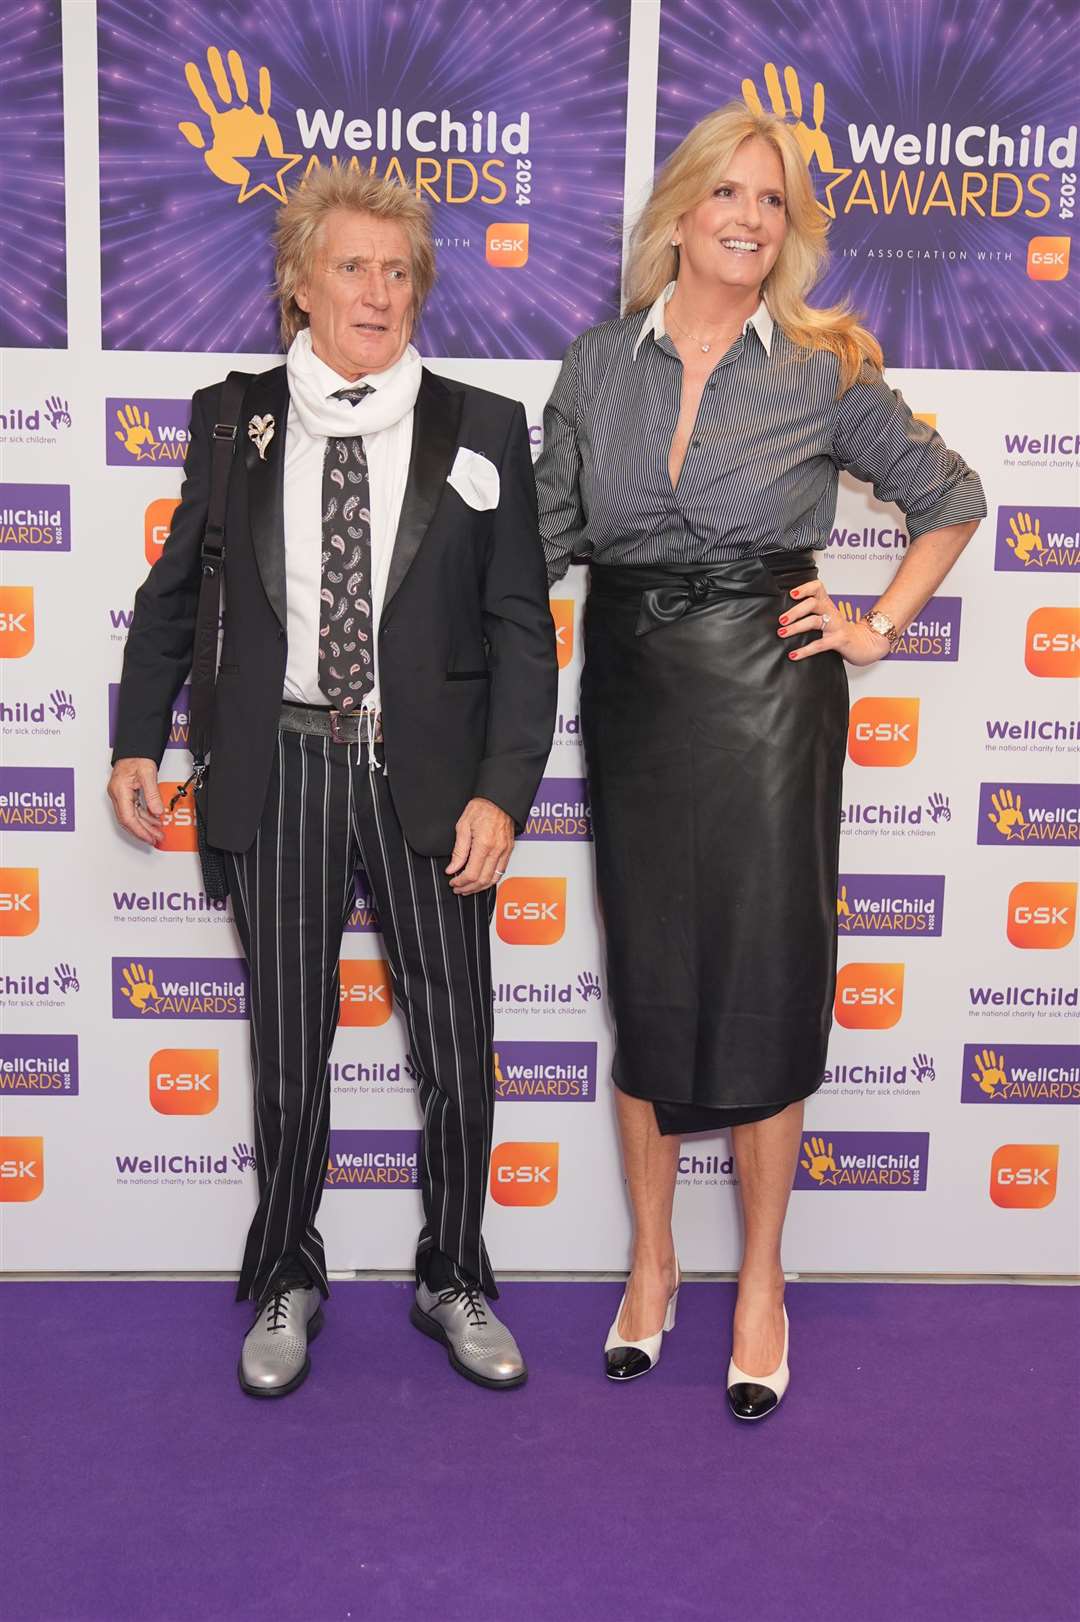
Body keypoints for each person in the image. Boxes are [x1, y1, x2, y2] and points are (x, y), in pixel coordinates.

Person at [535, 102, 984, 1419]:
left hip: (771, 702)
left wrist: (876, 625)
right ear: (679, 210)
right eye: (726, 191)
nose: (745, 216)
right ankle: (656, 1262)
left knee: (769, 983)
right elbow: (545, 538)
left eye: (771, 201)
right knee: (652, 980)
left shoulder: (821, 369)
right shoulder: (595, 366)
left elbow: (951, 496)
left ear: (785, 231)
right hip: (633, 694)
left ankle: (761, 1281)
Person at [108, 168, 557, 1398]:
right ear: (297, 286)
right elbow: (171, 599)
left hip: (429, 780)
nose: (378, 290)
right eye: (352, 266)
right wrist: (137, 739)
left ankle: (452, 1270)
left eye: (398, 268)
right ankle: (286, 1272)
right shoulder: (232, 416)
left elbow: (524, 628)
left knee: (461, 1056)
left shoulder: (480, 426)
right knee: (291, 1052)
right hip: (282, 767)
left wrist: (503, 792)